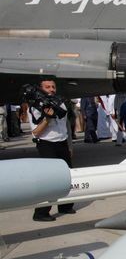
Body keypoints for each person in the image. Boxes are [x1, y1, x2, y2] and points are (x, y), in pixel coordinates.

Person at [29, 78, 75, 221]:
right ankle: (41, 213)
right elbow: (36, 132)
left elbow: (65, 126)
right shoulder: (36, 106)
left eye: (53, 87)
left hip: (62, 143)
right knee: (50, 179)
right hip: (46, 144)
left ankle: (65, 206)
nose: (51, 89)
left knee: (68, 176)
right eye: (47, 87)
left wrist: (69, 145)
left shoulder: (60, 103)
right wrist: (47, 118)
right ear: (41, 89)